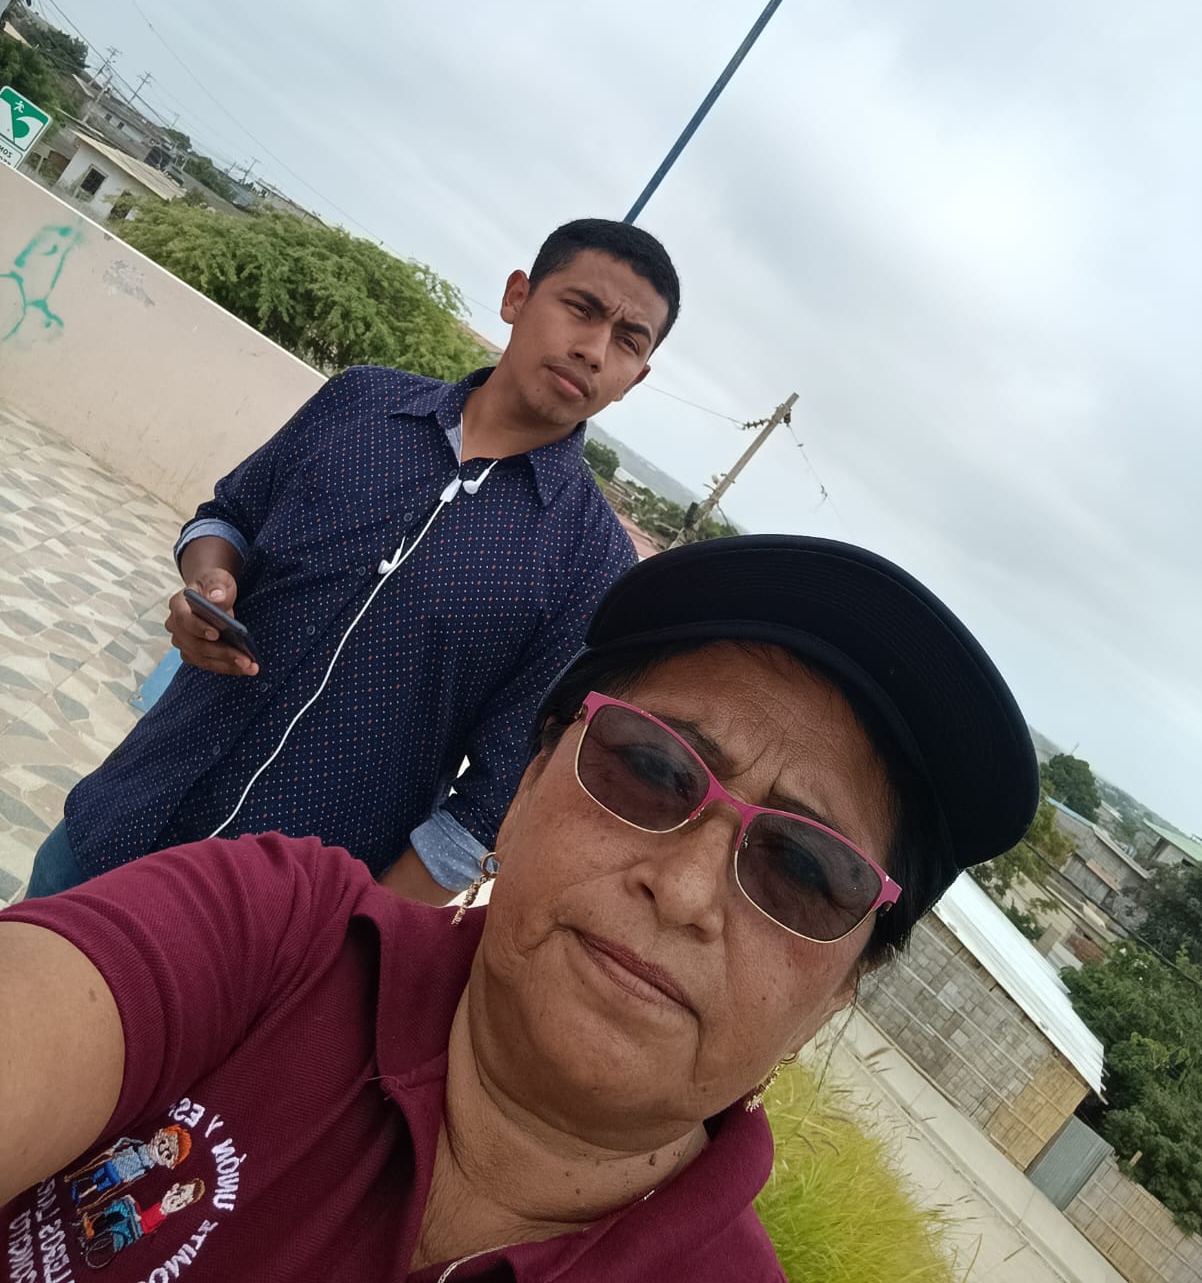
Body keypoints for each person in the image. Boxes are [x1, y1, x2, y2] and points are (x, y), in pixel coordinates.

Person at [0, 535, 1038, 1281]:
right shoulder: (271, 930)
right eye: (649, 767)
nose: (683, 892)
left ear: (842, 987)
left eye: (804, 871)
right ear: (530, 777)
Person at [23, 218, 680, 904]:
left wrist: (351, 938)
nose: (593, 350)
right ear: (518, 296)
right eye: (581, 308)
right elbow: (228, 515)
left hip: (268, 920)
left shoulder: (590, 563)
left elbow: (494, 797)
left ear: (635, 378)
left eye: (627, 341)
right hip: (120, 818)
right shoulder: (362, 404)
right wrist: (208, 585)